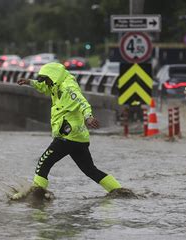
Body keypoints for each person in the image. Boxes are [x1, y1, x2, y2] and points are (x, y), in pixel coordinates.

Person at [13, 62, 122, 199]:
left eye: (46, 79)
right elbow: (44, 87)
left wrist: (88, 117)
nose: (45, 82)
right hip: (78, 138)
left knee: (44, 162)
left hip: (68, 135)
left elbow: (82, 102)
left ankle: (36, 195)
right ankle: (119, 191)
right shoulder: (55, 85)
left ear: (53, 76)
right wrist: (30, 82)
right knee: (90, 170)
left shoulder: (68, 87)